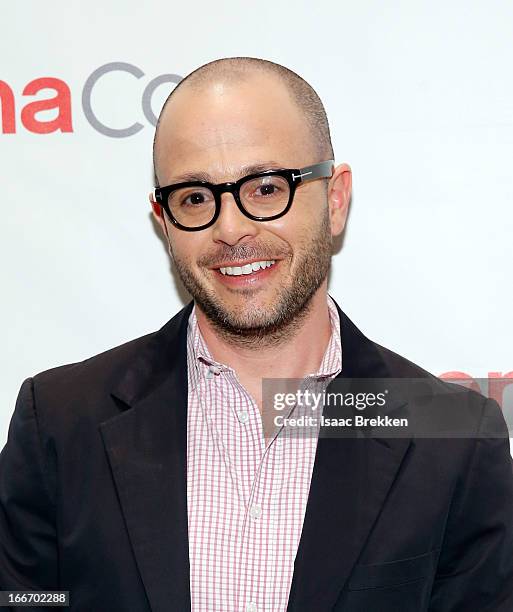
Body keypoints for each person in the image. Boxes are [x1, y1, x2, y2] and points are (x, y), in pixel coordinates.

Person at [1, 57, 512, 612]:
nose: (231, 229)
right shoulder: (60, 419)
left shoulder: (453, 437)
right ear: (163, 220)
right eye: (195, 197)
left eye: (267, 188)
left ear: (335, 199)